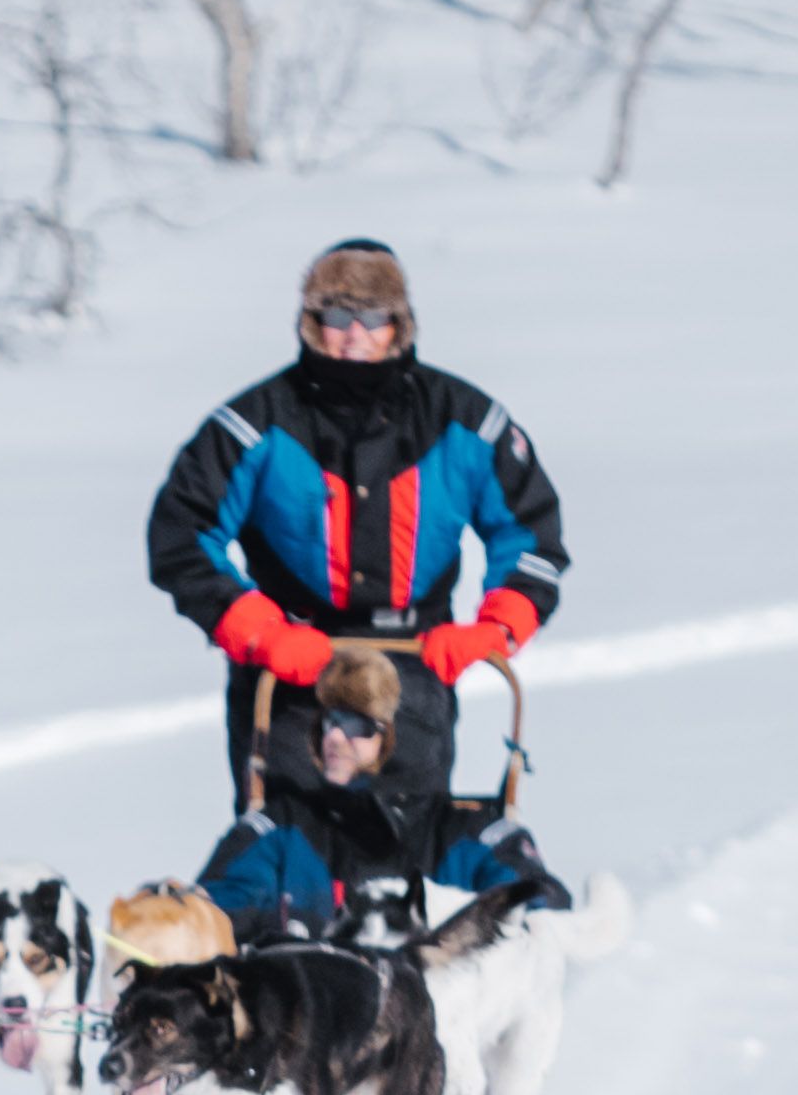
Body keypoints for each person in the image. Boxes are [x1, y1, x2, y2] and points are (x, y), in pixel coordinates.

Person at [147, 234, 569, 869]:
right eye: (337, 317)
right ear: (311, 322)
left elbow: (533, 534)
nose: (352, 335)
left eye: (371, 319)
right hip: (289, 671)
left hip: (415, 665)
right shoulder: (256, 421)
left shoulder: (463, 418)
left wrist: (494, 629)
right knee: (287, 862)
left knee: (398, 856)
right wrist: (259, 632)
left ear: (398, 325)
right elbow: (181, 532)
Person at [195, 649, 549, 940]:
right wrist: (188, 912)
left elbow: (539, 906)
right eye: (330, 721)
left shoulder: (469, 836)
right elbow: (218, 907)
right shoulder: (282, 828)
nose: (333, 737)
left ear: (402, 738)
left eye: (354, 725)